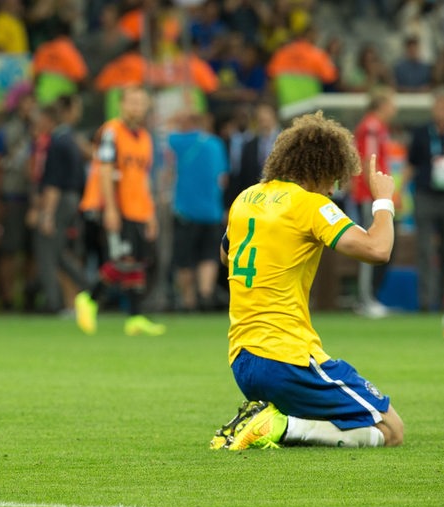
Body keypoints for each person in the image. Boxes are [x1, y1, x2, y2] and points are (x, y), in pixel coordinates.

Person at [211, 111, 404, 451]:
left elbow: (226, 256)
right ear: (319, 169)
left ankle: (274, 422)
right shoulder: (311, 206)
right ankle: (281, 427)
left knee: (339, 419)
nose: (333, 188)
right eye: (333, 178)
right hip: (286, 358)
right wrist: (384, 201)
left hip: (242, 361)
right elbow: (377, 249)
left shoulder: (245, 199)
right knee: (391, 429)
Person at [74, 86, 166, 337]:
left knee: (136, 261)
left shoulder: (145, 138)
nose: (136, 107)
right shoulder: (110, 132)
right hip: (113, 206)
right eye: (132, 102)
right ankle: (88, 298)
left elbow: (144, 178)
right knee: (123, 260)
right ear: (121, 104)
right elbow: (104, 170)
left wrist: (150, 213)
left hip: (137, 209)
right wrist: (110, 209)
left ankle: (134, 318)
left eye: (141, 102)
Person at [165, 112, 227, 311]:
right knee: (208, 256)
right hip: (212, 211)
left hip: (186, 210)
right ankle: (206, 296)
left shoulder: (178, 142)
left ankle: (188, 301)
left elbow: (164, 134)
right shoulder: (216, 144)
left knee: (185, 259)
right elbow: (223, 178)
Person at [34, 97, 86, 314]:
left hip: (60, 200)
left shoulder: (56, 143)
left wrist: (46, 214)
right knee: (60, 251)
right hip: (73, 199)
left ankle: (53, 302)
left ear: (48, 119)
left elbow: (53, 183)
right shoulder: (71, 139)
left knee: (47, 251)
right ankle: (89, 286)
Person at [350, 86, 397, 318]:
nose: (394, 109)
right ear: (382, 105)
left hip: (372, 195)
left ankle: (368, 298)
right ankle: (365, 300)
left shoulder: (375, 127)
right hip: (369, 196)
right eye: (391, 104)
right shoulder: (371, 127)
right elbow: (371, 161)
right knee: (370, 244)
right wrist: (379, 196)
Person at [0, 89, 35, 310]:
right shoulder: (6, 132)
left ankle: (29, 295)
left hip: (34, 198)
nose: (28, 108)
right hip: (12, 196)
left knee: (32, 251)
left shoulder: (40, 130)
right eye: (25, 104)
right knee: (9, 250)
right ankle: (7, 297)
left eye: (32, 104)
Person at [407, 87, 444, 312]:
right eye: (439, 105)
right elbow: (411, 164)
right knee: (424, 249)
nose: (442, 110)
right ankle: (425, 301)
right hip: (425, 195)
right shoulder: (422, 132)